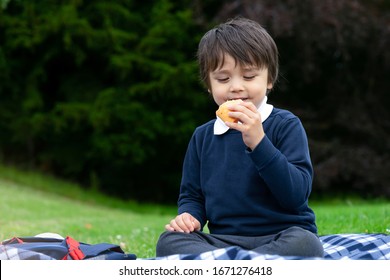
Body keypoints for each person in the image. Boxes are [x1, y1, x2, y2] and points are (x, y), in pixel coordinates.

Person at [155, 17, 324, 258]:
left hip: (282, 234)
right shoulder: (203, 136)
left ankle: (232, 266)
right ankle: (248, 264)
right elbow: (192, 195)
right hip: (223, 239)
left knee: (306, 244)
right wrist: (189, 216)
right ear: (208, 84)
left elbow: (295, 195)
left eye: (248, 76)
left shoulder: (285, 125)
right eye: (223, 79)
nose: (236, 87)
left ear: (269, 80)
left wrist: (259, 142)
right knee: (169, 242)